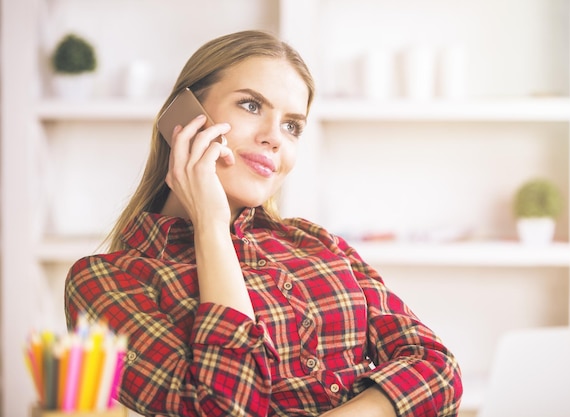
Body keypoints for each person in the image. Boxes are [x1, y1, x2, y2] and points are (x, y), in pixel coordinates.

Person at [64, 30, 463, 417]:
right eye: (251, 106)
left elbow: (438, 371)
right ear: (183, 117)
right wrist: (211, 227)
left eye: (292, 126)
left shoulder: (319, 244)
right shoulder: (103, 282)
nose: (275, 138)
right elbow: (228, 409)